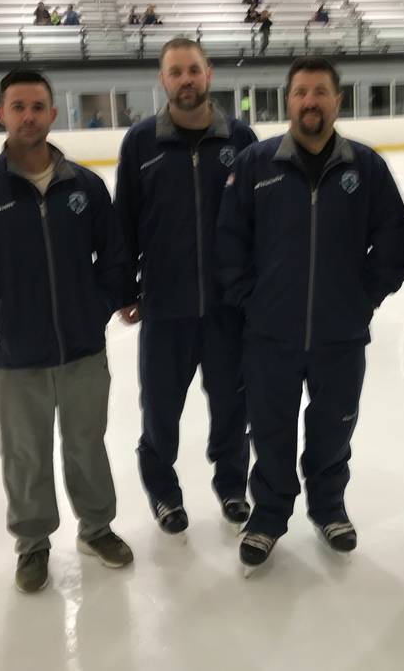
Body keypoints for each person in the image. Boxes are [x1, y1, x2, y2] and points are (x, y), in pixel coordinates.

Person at [0, 68, 133, 594]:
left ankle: (97, 529)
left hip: (82, 349)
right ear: (1, 114)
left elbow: (114, 259)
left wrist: (97, 306)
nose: (28, 116)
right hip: (14, 357)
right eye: (17, 107)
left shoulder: (85, 187)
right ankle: (33, 544)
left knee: (87, 444)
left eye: (37, 106)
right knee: (24, 453)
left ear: (52, 113)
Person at [217, 56, 404, 573]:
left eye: (320, 92)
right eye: (301, 92)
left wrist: (361, 296)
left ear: (336, 101)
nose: (310, 101)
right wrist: (251, 300)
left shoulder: (364, 167)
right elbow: (229, 243)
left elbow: (394, 239)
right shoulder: (256, 165)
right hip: (269, 334)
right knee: (271, 429)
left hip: (340, 335)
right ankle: (269, 516)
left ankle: (329, 508)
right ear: (289, 102)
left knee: (334, 427)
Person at [114, 38, 259, 536]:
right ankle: (164, 493)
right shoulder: (140, 143)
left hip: (228, 309)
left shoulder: (241, 139)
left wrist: (255, 291)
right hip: (165, 307)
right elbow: (124, 222)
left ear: (209, 74)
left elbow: (258, 222)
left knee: (232, 404)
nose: (185, 80)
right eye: (175, 72)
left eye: (193, 70)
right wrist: (126, 289)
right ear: (163, 80)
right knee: (159, 409)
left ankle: (232, 485)